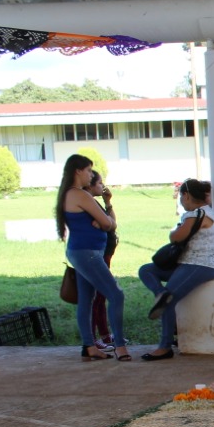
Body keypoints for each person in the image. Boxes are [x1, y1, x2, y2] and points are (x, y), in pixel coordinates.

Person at [137, 179, 214, 361]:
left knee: (168, 301)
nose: (181, 202)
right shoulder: (207, 212)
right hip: (191, 263)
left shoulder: (195, 215)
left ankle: (164, 347)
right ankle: (160, 294)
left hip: (201, 264)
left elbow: (176, 237)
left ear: (186, 195)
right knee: (146, 270)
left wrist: (173, 230)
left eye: (180, 197)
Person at [56, 154, 128, 361]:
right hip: (86, 253)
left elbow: (104, 222)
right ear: (78, 171)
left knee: (86, 300)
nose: (91, 175)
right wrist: (105, 221)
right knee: (116, 295)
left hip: (84, 251)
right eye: (88, 170)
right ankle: (120, 346)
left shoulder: (72, 194)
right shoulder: (80, 195)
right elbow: (108, 224)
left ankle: (89, 346)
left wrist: (104, 219)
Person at [84, 171, 118, 352]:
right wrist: (108, 222)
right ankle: (93, 337)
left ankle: (104, 334)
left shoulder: (96, 203)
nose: (102, 186)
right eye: (99, 183)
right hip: (97, 253)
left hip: (106, 252)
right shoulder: (87, 204)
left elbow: (112, 222)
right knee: (97, 297)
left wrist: (108, 202)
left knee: (101, 296)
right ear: (89, 185)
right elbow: (109, 223)